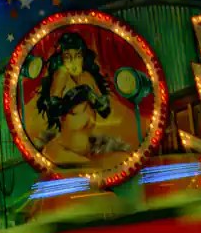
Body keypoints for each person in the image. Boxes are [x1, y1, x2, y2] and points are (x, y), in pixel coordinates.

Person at [31, 30, 131, 169]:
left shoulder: (87, 77)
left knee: (124, 159)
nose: (73, 62)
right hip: (63, 152)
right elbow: (53, 108)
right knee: (93, 169)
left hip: (88, 151)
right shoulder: (62, 75)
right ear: (62, 59)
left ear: (83, 56)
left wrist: (91, 95)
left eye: (77, 56)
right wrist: (78, 94)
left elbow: (105, 110)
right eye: (68, 57)